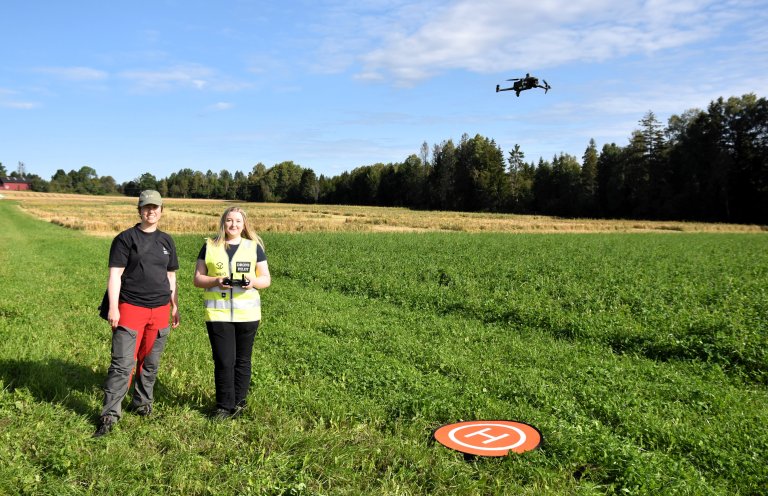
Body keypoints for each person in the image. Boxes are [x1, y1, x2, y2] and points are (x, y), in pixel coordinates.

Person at [93, 190, 180, 437]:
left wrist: (174, 305)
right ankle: (110, 415)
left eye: (155, 207)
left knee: (150, 363)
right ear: (139, 210)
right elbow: (115, 276)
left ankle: (142, 403)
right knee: (122, 364)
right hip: (130, 307)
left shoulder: (167, 241)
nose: (151, 211)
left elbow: (171, 276)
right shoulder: (125, 239)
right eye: (146, 207)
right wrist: (113, 307)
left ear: (162, 210)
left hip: (160, 309)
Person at [193, 206, 270, 419]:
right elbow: (198, 279)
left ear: (244, 224)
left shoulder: (253, 247)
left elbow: (266, 279)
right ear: (222, 223)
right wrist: (217, 281)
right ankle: (224, 407)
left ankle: (239, 403)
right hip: (218, 315)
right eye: (229, 220)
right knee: (224, 360)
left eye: (237, 221)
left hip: (248, 315)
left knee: (243, 360)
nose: (233, 225)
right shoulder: (209, 246)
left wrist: (251, 282)